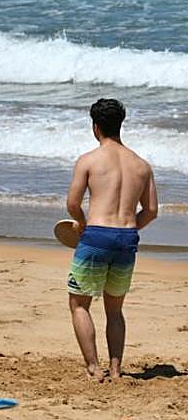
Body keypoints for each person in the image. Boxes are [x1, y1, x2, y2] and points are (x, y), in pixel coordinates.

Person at [64, 98, 158, 381]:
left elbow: (72, 203)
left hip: (96, 235)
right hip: (127, 238)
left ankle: (94, 368)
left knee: (79, 303)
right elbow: (151, 211)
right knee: (115, 309)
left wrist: (82, 224)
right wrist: (130, 230)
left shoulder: (89, 160)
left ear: (95, 127)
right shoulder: (141, 165)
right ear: (120, 124)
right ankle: (116, 369)